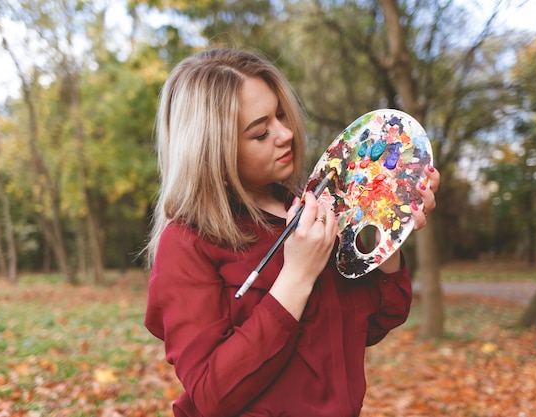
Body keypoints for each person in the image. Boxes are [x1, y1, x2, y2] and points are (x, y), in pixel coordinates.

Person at [144, 47, 440, 417]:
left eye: (282, 115)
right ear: (213, 151)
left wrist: (387, 222)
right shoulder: (188, 242)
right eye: (260, 132)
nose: (285, 133)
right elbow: (210, 396)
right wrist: (296, 276)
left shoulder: (306, 210)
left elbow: (375, 321)